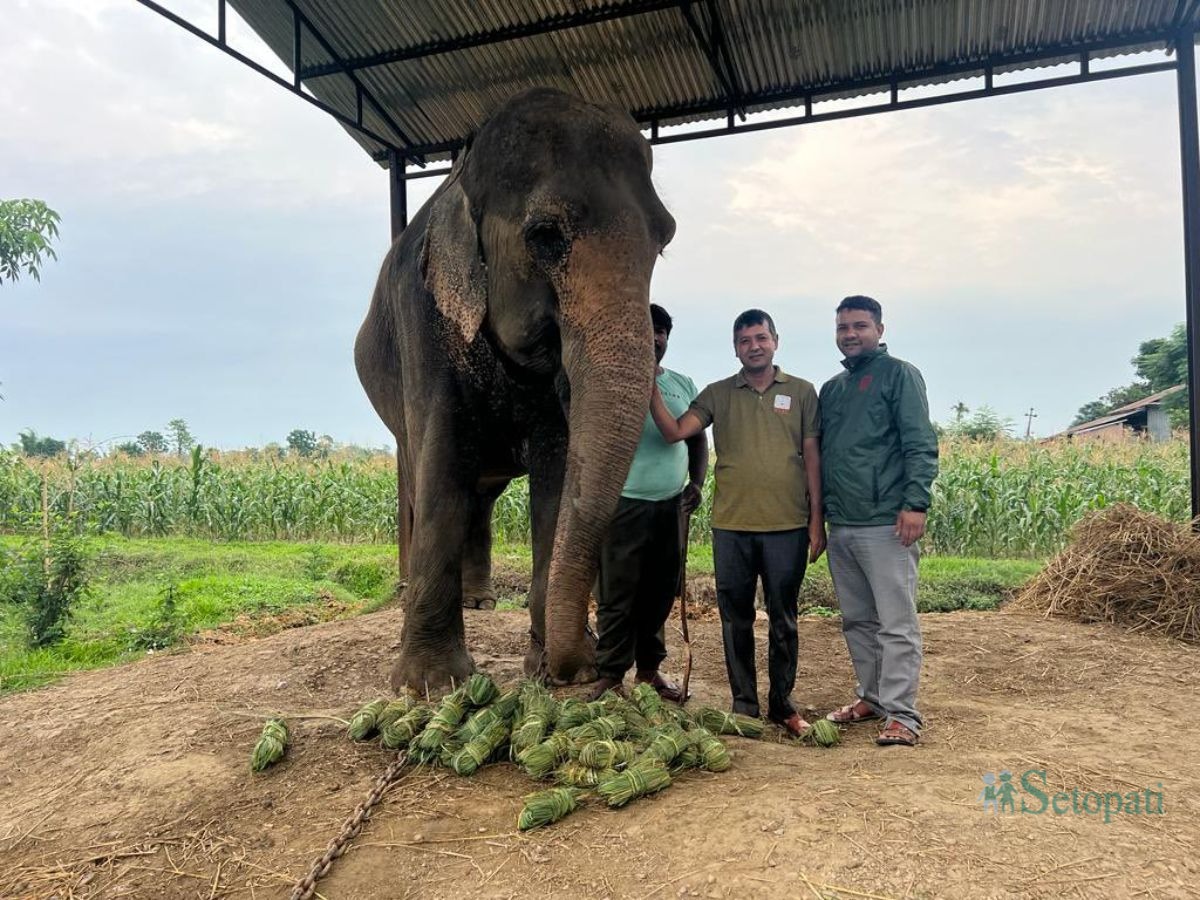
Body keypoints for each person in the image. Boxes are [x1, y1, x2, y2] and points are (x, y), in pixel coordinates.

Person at [650, 309, 823, 736]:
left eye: (760, 338)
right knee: (736, 618)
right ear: (735, 348)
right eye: (745, 341)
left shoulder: (801, 392)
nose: (754, 346)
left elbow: (814, 459)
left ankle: (782, 705)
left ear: (775, 341)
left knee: (783, 619)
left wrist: (817, 521)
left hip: (788, 526)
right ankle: (744, 705)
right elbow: (674, 432)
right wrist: (647, 382)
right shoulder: (718, 394)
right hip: (732, 527)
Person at [819, 295, 938, 747]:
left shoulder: (900, 376)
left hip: (886, 522)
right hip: (843, 523)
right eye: (843, 327)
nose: (850, 334)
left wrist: (916, 503)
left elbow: (919, 443)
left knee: (895, 621)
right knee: (857, 621)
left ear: (879, 330)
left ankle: (903, 714)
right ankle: (872, 698)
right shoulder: (833, 389)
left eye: (860, 326)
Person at [591, 304, 709, 702]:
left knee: (659, 594)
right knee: (617, 595)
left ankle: (649, 672)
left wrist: (697, 482)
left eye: (661, 331)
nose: (654, 338)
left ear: (666, 340)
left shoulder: (682, 384)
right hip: (624, 503)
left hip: (671, 506)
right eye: (647, 330)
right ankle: (609, 674)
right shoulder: (611, 381)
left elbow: (696, 438)